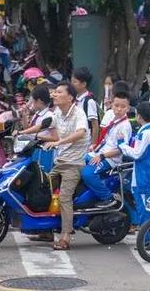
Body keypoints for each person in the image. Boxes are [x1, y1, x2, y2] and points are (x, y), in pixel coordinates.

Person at [43, 82, 90, 250]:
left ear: (70, 97)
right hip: (60, 162)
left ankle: (66, 236)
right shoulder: (57, 112)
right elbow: (46, 128)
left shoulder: (79, 113)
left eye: (58, 92)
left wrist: (59, 142)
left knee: (64, 197)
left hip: (74, 163)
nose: (54, 94)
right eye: (54, 92)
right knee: (42, 189)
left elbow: (80, 132)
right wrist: (25, 133)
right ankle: (45, 229)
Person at [81, 91, 132, 209]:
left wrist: (102, 156)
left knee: (87, 173)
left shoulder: (125, 126)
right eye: (116, 105)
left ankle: (107, 198)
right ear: (112, 105)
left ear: (128, 108)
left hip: (110, 159)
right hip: (99, 152)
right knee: (75, 162)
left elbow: (121, 149)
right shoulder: (112, 119)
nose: (119, 109)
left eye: (123, 107)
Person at [118, 101, 150, 228]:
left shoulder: (144, 134)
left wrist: (122, 144)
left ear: (139, 117)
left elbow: (136, 154)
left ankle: (147, 240)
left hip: (143, 177)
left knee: (144, 209)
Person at [15, 85, 56, 172]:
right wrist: (24, 115)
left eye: (33, 102)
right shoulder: (38, 113)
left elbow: (55, 138)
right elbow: (28, 129)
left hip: (44, 151)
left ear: (39, 101)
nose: (32, 105)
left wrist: (37, 136)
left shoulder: (49, 116)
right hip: (33, 148)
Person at [72, 67, 100, 145]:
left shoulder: (89, 101)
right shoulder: (74, 99)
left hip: (86, 143)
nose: (72, 84)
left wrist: (93, 145)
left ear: (84, 84)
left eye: (75, 81)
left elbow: (95, 126)